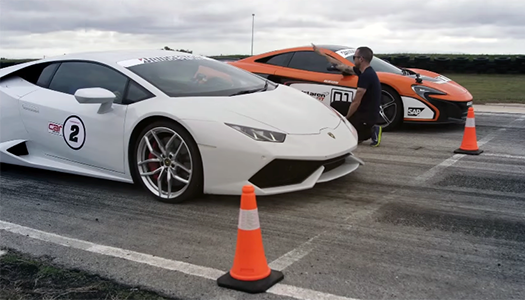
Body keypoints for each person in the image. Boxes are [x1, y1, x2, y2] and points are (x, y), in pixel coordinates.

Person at [312, 44, 382, 147]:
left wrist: (346, 118)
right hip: (364, 110)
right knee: (336, 105)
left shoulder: (366, 76)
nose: (354, 60)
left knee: (352, 136)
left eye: (355, 57)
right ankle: (362, 128)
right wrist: (322, 55)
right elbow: (342, 66)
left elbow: (356, 101)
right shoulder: (364, 71)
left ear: (361, 59)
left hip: (367, 116)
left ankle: (372, 130)